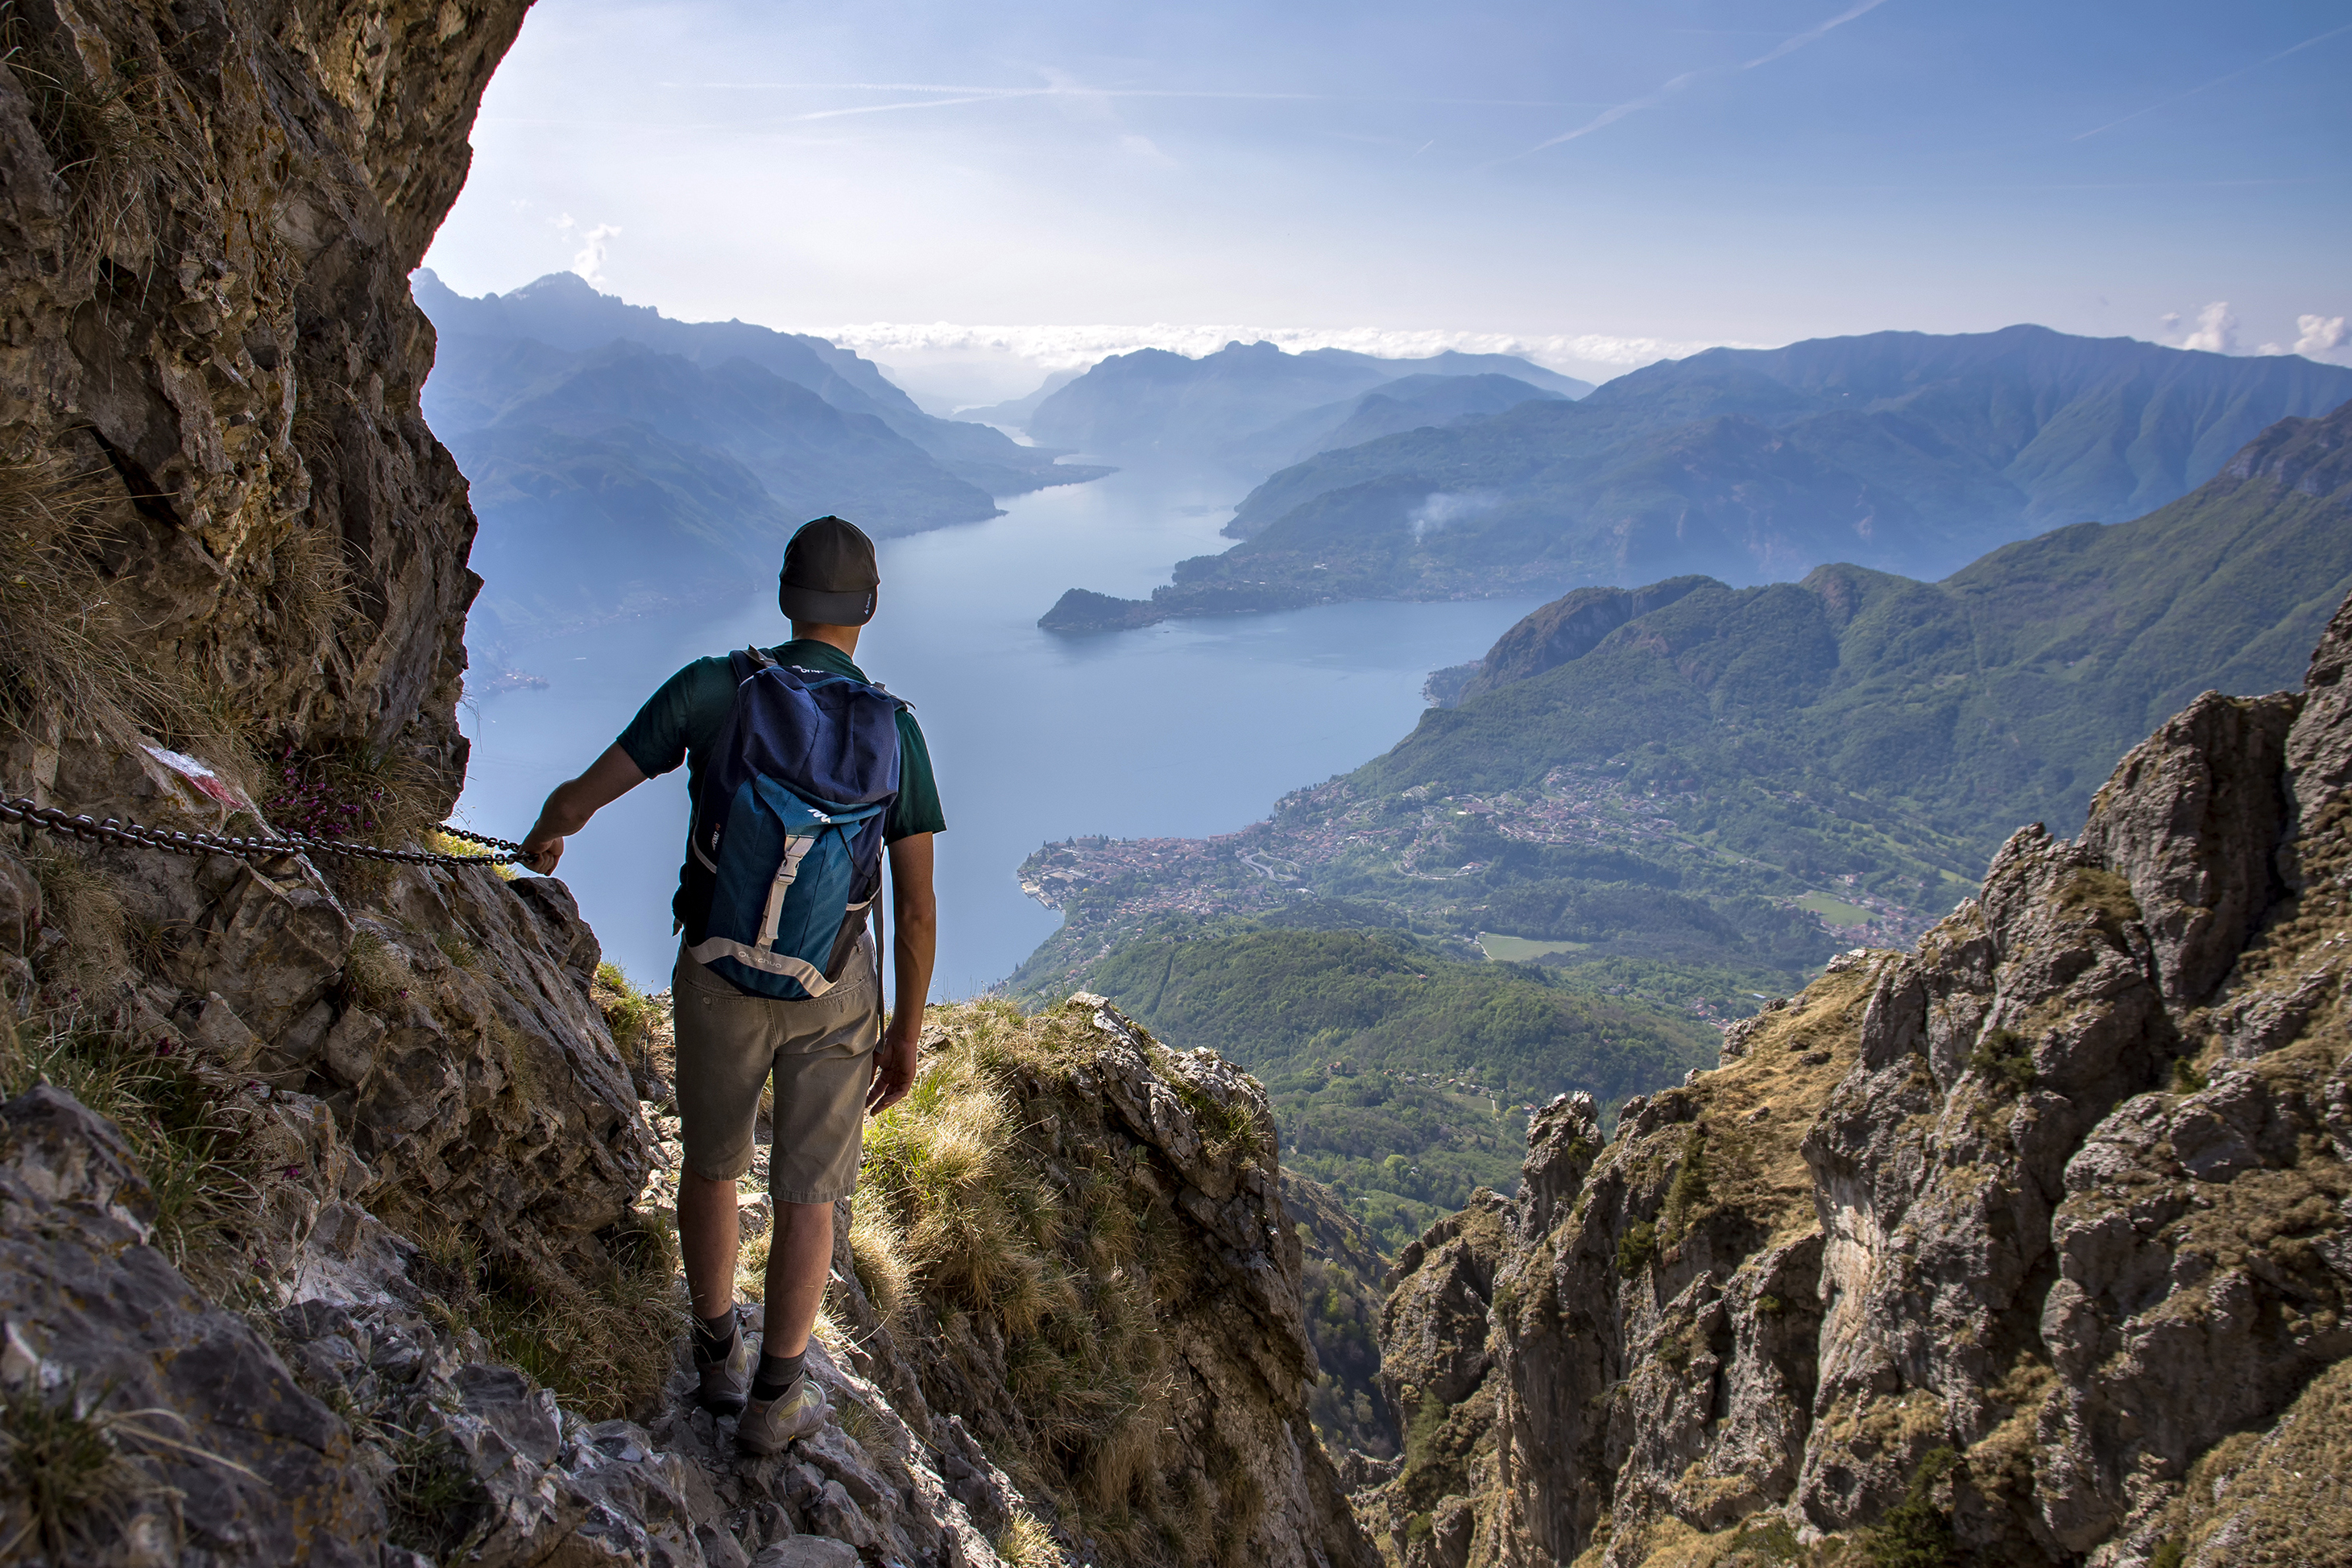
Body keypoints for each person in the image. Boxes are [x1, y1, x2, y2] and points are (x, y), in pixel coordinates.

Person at [518, 515, 942, 1454]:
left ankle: (714, 1361)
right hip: (834, 991)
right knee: (809, 1196)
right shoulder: (894, 731)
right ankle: (772, 1403)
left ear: (788, 595)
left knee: (711, 1167)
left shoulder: (717, 688)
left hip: (716, 971)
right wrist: (903, 1032)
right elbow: (915, 911)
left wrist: (551, 830)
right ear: (867, 608)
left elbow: (585, 792)